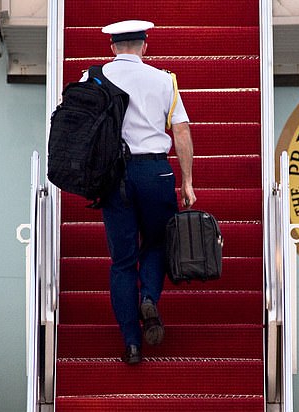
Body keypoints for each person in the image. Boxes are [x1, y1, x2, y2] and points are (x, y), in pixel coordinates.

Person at [88, 20, 196, 364]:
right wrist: (187, 180)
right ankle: (148, 296)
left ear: (112, 48)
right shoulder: (164, 80)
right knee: (158, 241)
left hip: (112, 175)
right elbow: (180, 132)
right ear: (145, 46)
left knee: (121, 261)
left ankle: (131, 343)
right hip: (155, 171)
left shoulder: (93, 78)